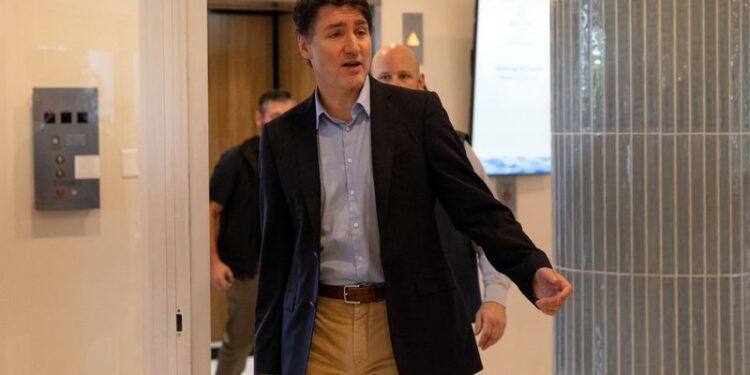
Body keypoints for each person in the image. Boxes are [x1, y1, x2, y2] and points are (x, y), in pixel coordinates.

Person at [255, 1, 573, 374]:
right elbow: (276, 259)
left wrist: (530, 267)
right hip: (320, 328)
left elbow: (477, 207)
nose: (353, 45)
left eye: (360, 30)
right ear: (305, 47)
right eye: (335, 33)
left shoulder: (417, 114)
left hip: (407, 324)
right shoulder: (282, 136)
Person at [371, 43, 511, 350]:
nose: (394, 85)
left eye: (404, 76)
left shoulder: (457, 151)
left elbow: (489, 228)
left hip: (447, 315)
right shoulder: (357, 152)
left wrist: (495, 297)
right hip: (377, 321)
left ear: (421, 82)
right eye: (384, 78)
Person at [209, 89, 295, 375]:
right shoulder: (235, 160)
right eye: (275, 117)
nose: (282, 123)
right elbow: (211, 210)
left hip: (288, 268)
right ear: (259, 118)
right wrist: (214, 262)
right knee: (239, 341)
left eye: (288, 116)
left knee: (286, 340)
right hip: (245, 269)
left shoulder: (298, 160)